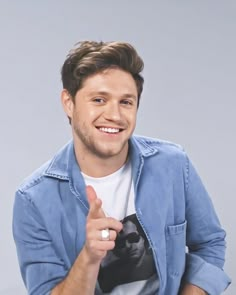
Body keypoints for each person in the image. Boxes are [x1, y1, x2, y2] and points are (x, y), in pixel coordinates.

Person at [13, 40, 231, 295]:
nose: (114, 115)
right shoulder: (33, 199)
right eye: (98, 99)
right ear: (68, 103)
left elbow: (210, 244)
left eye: (126, 102)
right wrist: (90, 257)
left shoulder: (172, 165)